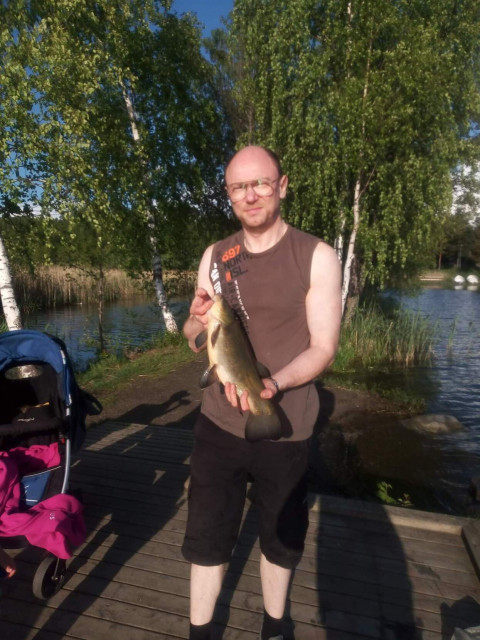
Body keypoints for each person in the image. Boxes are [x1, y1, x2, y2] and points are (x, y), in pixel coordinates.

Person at [182, 145, 342, 640]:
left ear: (282, 185)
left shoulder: (316, 255)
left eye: (260, 183)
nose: (250, 195)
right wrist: (197, 325)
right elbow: (192, 330)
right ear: (228, 194)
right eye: (237, 186)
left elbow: (323, 349)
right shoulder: (215, 255)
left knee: (279, 533)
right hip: (217, 423)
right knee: (208, 533)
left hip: (284, 421)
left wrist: (272, 386)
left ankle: (275, 626)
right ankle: (200, 631)